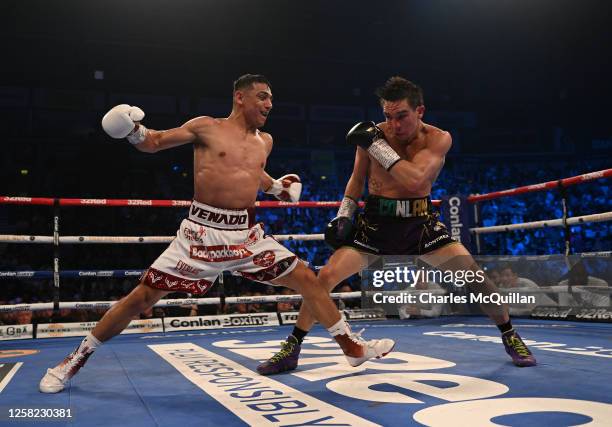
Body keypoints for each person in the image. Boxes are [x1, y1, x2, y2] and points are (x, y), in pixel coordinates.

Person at [39, 74, 394, 394]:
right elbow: (155, 141)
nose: (269, 104)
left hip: (245, 234)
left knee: (308, 278)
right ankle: (74, 360)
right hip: (200, 234)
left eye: (271, 98)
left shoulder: (265, 141)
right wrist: (133, 131)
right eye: (262, 96)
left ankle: (352, 349)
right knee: (142, 298)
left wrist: (277, 188)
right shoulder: (206, 127)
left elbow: (252, 172)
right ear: (240, 97)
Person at [258, 76, 536, 375]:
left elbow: (416, 179)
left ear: (420, 111)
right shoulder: (375, 134)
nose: (393, 125)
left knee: (476, 278)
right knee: (322, 278)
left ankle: (510, 335)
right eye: (388, 116)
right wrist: (344, 214)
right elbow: (356, 180)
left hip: (421, 223)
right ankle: (292, 347)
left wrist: (377, 146)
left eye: (401, 116)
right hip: (376, 223)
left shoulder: (437, 138)